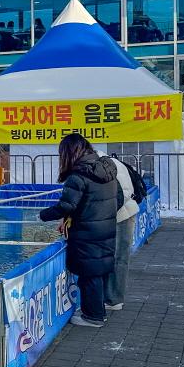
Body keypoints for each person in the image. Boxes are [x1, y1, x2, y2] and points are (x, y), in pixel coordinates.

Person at [39, 133, 122, 328]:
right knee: (97, 272)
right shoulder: (107, 170)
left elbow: (66, 206)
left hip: (87, 233)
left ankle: (93, 317)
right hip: (105, 229)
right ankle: (96, 310)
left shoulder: (78, 176)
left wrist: (42, 215)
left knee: (89, 275)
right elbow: (118, 197)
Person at [103, 153, 139, 311]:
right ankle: (112, 297)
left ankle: (114, 299)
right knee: (118, 257)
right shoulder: (109, 162)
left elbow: (122, 193)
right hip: (125, 212)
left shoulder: (104, 165)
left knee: (119, 257)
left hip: (123, 214)